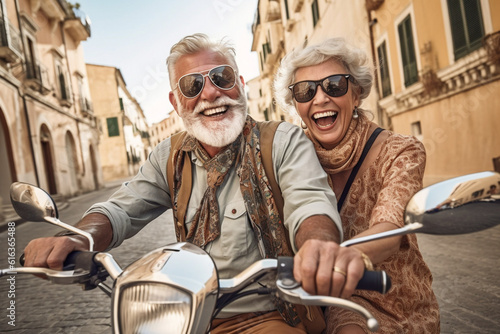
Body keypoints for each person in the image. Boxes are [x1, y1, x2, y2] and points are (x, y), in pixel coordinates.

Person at [23, 34, 369, 333]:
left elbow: (309, 202)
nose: (210, 94)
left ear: (240, 85)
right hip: (182, 315)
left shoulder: (281, 141)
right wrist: (77, 237)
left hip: (268, 315)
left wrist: (317, 246)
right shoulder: (169, 156)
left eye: (222, 77)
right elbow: (121, 209)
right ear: (176, 102)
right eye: (193, 85)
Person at [274, 37, 440, 333]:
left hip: (389, 299)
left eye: (334, 85)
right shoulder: (288, 156)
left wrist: (351, 255)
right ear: (296, 105)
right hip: (309, 304)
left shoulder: (401, 150)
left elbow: (390, 227)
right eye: (305, 91)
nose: (320, 98)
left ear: (357, 93)